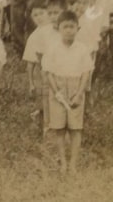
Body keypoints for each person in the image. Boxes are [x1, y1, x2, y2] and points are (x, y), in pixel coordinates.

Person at [42, 10, 93, 174]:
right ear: (59, 28)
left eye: (72, 27)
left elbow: (86, 72)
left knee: (75, 128)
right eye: (65, 27)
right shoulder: (53, 48)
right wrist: (56, 92)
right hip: (58, 88)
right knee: (59, 127)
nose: (69, 30)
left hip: (76, 88)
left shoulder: (83, 49)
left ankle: (73, 164)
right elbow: (48, 72)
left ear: (78, 28)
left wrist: (79, 93)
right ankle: (63, 162)